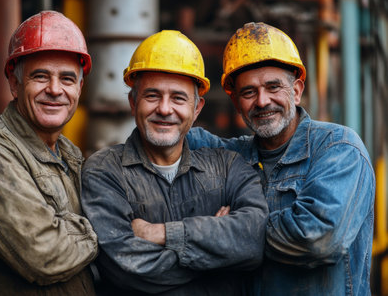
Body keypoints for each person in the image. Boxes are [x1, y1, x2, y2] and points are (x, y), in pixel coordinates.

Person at [187, 22, 375, 295]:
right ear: (236, 103)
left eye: (273, 87)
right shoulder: (233, 157)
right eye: (248, 92)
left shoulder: (339, 149)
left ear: (296, 91)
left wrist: (230, 229)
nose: (262, 101)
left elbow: (317, 239)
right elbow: (174, 135)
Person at [81, 30, 269, 295]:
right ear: (133, 103)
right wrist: (219, 258)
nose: (165, 109)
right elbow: (124, 265)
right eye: (152, 96)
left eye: (178, 98)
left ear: (197, 108)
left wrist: (164, 234)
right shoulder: (104, 171)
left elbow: (254, 240)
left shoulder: (229, 168)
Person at [0, 11, 98, 295]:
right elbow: (45, 255)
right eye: (40, 77)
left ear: (79, 88)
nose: (55, 90)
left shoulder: (69, 154)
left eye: (67, 79)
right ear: (15, 84)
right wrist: (111, 229)